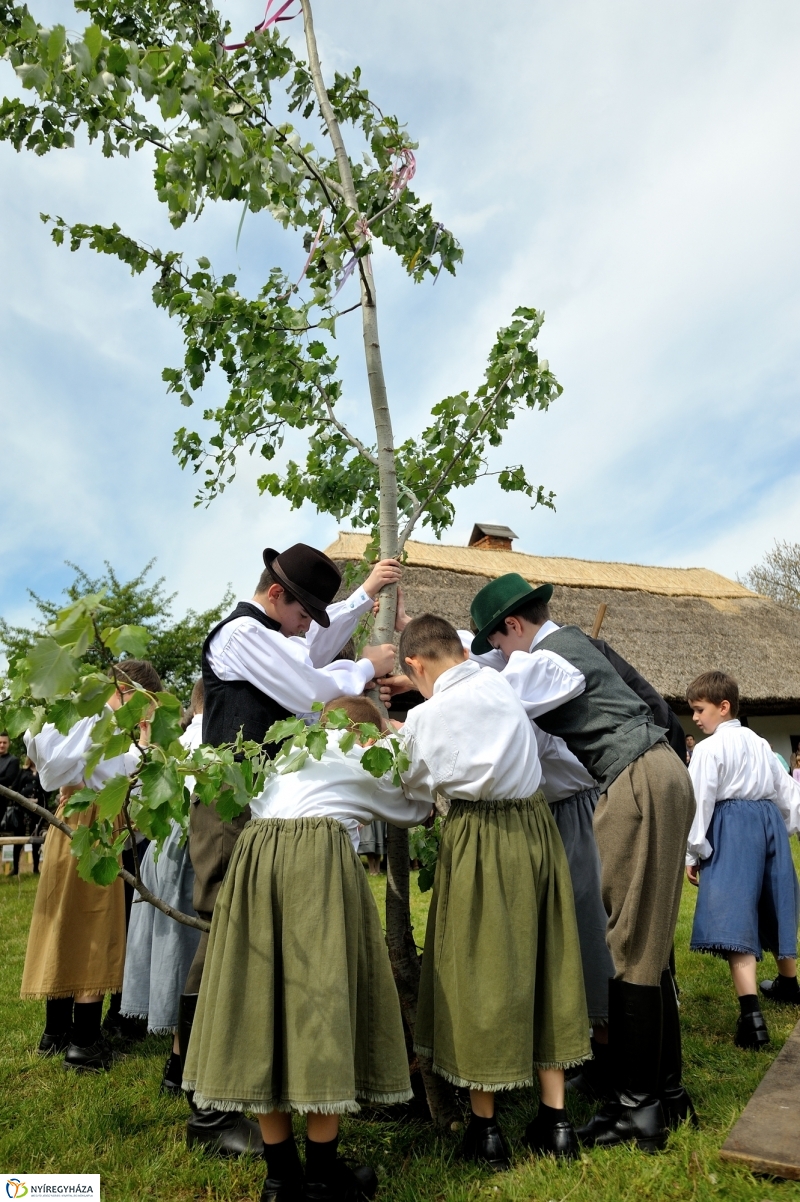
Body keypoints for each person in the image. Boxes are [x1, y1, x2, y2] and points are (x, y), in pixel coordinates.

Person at [460, 575, 695, 1151]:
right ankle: (666, 1093)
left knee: (630, 946)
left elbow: (496, 704)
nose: (501, 656)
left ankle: (634, 1111)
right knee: (651, 944)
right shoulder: (570, 650)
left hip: (635, 780)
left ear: (512, 626)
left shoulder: (547, 658)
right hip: (658, 771)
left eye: (498, 644)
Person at [179, 543, 400, 1157]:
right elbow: (308, 687)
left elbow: (305, 655)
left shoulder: (271, 637)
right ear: (275, 596)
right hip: (229, 807)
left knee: (248, 940)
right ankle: (205, 1105)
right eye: (303, 612)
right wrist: (364, 668)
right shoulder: (238, 635)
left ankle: (223, 1085)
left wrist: (360, 605)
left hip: (259, 809)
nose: (306, 627)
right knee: (226, 934)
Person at [183, 694, 430, 1202]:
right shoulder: (360, 756)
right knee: (321, 1007)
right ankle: (320, 1177)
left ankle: (279, 1179)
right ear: (366, 734)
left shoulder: (288, 753)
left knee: (264, 1010)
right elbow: (414, 809)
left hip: (255, 866)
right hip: (314, 867)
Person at [397, 614, 590, 1168]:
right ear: (460, 646)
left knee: (478, 968)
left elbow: (408, 791)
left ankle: (486, 1130)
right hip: (535, 828)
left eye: (414, 680)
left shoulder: (425, 718)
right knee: (547, 956)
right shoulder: (506, 681)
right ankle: (556, 1122)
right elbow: (560, 673)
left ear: (414, 666)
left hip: (478, 836)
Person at [20, 660, 162, 1071]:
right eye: (145, 705)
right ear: (131, 691)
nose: (144, 717)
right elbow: (112, 779)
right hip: (95, 821)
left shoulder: (78, 713)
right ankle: (84, 1041)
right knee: (94, 926)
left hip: (68, 819)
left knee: (65, 922)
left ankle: (56, 1031)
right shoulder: (101, 717)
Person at [685, 671, 800, 1047]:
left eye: (700, 710)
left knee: (735, 914)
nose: (697, 719)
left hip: (732, 827)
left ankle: (751, 1018)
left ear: (724, 706)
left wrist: (693, 851)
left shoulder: (707, 749)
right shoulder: (761, 743)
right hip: (767, 823)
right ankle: (788, 983)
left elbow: (699, 801)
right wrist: (784, 829)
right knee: (775, 902)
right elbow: (786, 792)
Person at [120, 677, 205, 1094]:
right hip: (191, 849)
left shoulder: (175, 742)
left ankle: (178, 1065)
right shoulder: (210, 741)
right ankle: (180, 1066)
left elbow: (139, 806)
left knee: (171, 942)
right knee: (189, 951)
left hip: (160, 847)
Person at [11, 758, 48, 875]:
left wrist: (38, 799)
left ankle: (36, 868)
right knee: (18, 835)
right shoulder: (23, 771)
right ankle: (15, 869)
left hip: (37, 809)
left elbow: (48, 790)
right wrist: (24, 799)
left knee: (35, 836)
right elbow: (15, 787)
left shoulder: (43, 772)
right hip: (21, 809)